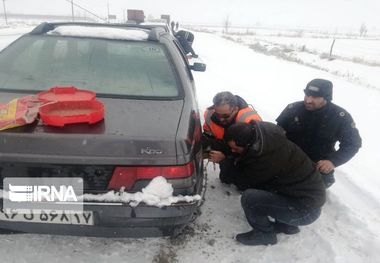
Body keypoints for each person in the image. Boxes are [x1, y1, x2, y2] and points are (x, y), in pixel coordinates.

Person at [223, 121, 326, 246]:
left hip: (305, 211)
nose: (233, 151)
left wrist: (224, 162)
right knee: (269, 186)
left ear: (248, 144)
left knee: (250, 198)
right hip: (307, 200)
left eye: (235, 148)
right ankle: (287, 226)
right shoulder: (267, 142)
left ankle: (264, 234)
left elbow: (243, 183)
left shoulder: (267, 159)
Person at [276, 79, 362, 188]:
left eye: (315, 97)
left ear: (326, 97)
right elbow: (276, 133)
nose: (308, 100)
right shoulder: (293, 108)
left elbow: (352, 144)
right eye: (307, 95)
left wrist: (332, 162)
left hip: (316, 165)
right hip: (288, 158)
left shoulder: (340, 117)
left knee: (308, 193)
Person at [202, 91, 262, 184]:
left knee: (231, 178)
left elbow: (254, 155)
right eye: (218, 114)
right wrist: (205, 148)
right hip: (225, 143)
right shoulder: (209, 114)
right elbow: (208, 134)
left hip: (244, 151)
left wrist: (224, 160)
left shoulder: (249, 121)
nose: (221, 119)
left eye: (225, 116)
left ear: (235, 109)